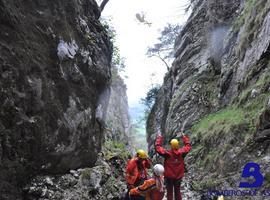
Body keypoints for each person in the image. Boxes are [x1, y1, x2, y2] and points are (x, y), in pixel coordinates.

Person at [155, 132, 191, 200]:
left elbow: (158, 148)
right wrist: (184, 137)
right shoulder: (182, 152)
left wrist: (159, 138)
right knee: (178, 192)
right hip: (179, 176)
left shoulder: (167, 154)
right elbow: (188, 146)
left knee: (169, 192)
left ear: (171, 145)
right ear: (178, 145)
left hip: (169, 177)